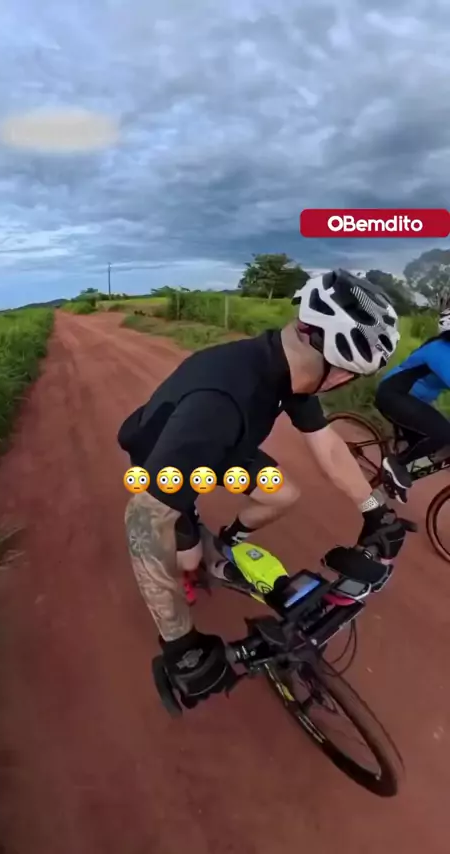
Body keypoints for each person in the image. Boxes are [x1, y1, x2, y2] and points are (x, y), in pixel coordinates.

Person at [119, 269, 408, 709]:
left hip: (225, 447)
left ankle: (228, 543)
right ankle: (196, 549)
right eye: (349, 374)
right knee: (187, 559)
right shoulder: (221, 402)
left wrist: (374, 508)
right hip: (171, 459)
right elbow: (142, 518)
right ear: (336, 373)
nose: (343, 383)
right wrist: (179, 642)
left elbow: (327, 444)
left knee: (283, 494)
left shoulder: (288, 367)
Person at [375, 306, 450, 502]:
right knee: (442, 432)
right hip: (394, 396)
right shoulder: (440, 350)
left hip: (412, 402)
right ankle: (396, 465)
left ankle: (392, 480)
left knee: (430, 443)